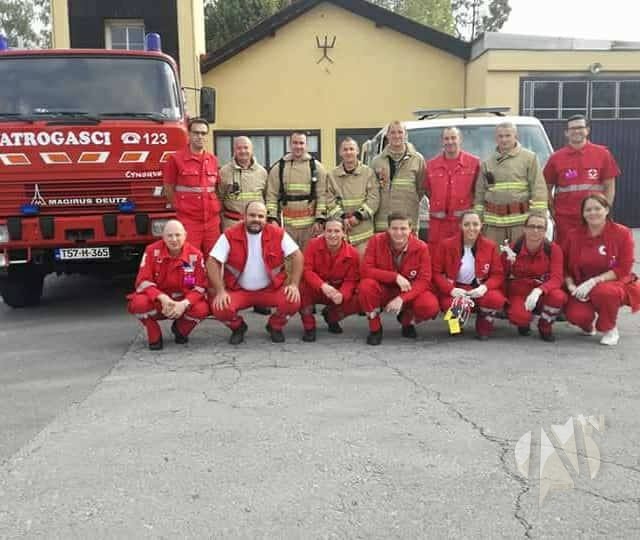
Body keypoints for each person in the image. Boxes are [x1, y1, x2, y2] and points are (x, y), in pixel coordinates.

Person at [207, 201, 303, 344]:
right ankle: (238, 327)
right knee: (219, 308)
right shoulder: (230, 234)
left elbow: (297, 256)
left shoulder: (277, 233)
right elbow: (212, 261)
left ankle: (275, 326)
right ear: (244, 216)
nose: (256, 219)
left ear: (266, 218)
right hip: (239, 290)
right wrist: (220, 291)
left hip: (271, 290)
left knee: (293, 301)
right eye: (252, 215)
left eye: (260, 216)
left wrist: (294, 284)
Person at [563, 194, 640, 346]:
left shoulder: (622, 233)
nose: (593, 213)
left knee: (604, 293)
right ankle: (587, 325)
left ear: (606, 210)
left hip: (614, 283)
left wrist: (594, 281)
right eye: (588, 210)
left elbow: (624, 268)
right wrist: (571, 285)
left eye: (597, 208)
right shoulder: (573, 235)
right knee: (576, 315)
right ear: (583, 214)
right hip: (581, 285)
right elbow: (563, 265)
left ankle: (609, 328)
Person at [359, 212, 439, 345]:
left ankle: (406, 321)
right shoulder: (376, 241)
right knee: (366, 286)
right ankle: (375, 328)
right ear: (388, 229)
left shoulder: (421, 247)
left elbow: (424, 280)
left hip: (407, 292)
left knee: (429, 306)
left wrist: (402, 299)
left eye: (403, 228)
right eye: (394, 228)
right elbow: (365, 270)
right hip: (383, 289)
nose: (399, 233)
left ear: (410, 229)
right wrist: (395, 277)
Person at [127, 220, 209, 350]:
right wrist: (163, 298)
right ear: (163, 237)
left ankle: (180, 329)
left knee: (202, 308)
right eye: (169, 235)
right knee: (138, 303)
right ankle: (154, 333)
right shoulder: (151, 251)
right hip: (159, 301)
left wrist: (183, 304)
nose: (174, 239)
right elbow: (143, 281)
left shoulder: (195, 256)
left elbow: (200, 287)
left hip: (182, 302)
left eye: (178, 235)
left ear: (185, 235)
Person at [543, 114, 620, 246]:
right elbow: (546, 187)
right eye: (572, 129)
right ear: (566, 133)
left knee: (594, 251)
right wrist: (552, 211)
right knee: (566, 252)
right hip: (566, 219)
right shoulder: (556, 158)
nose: (576, 131)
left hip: (594, 216)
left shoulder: (602, 154)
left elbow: (610, 185)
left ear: (587, 130)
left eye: (580, 127)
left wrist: (604, 210)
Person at [432, 211, 506, 340]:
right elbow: (436, 273)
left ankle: (484, 325)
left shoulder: (490, 246)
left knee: (495, 299)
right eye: (466, 224)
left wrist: (484, 288)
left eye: (475, 224)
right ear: (460, 226)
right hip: (456, 288)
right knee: (451, 305)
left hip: (479, 287)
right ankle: (455, 325)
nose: (471, 228)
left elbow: (497, 274)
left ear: (481, 225)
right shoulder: (446, 245)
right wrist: (451, 290)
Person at [474, 122, 548, 244]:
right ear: (496, 138)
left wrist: (537, 220)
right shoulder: (487, 163)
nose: (504, 140)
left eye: (508, 135)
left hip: (520, 224)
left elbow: (538, 190)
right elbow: (479, 196)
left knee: (520, 255)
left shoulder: (529, 158)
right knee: (493, 256)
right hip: (493, 226)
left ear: (515, 136)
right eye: (500, 136)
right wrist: (477, 221)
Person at [503, 214, 567, 342]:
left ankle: (545, 325)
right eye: (531, 226)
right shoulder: (512, 249)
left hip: (543, 291)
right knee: (519, 317)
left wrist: (539, 290)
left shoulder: (553, 249)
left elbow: (557, 278)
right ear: (524, 228)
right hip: (520, 292)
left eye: (540, 227)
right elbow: (502, 275)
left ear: (545, 231)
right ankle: (524, 322)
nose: (535, 230)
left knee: (558, 297)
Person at [163, 118, 221, 255]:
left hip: (212, 222)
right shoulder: (175, 159)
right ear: (189, 134)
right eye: (196, 133)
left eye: (203, 133)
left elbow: (216, 188)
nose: (200, 136)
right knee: (190, 258)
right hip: (189, 222)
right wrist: (181, 207)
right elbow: (168, 188)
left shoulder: (212, 160)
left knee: (214, 259)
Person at [299, 218, 361, 342]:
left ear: (344, 233)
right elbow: (307, 270)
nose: (333, 235)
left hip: (337, 290)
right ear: (324, 232)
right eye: (329, 231)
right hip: (316, 287)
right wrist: (322, 285)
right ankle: (309, 326)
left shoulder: (353, 254)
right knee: (301, 288)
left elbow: (351, 280)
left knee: (357, 297)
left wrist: (342, 295)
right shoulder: (312, 245)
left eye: (337, 231)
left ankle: (332, 317)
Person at [265, 132, 328, 250]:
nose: (298, 146)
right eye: (295, 143)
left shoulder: (317, 167)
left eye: (301, 143)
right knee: (289, 258)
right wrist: (272, 219)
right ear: (289, 145)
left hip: (310, 227)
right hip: (287, 226)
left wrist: (320, 219)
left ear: (306, 145)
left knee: (309, 258)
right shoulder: (279, 168)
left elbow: (322, 195)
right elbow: (271, 196)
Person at [424, 127, 480, 245]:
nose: (450, 142)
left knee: (463, 254)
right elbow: (428, 191)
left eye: (453, 138)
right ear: (442, 141)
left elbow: (478, 191)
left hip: (463, 224)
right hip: (438, 224)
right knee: (437, 255)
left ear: (460, 140)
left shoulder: (474, 163)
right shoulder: (431, 165)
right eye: (446, 138)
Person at [327, 137, 379, 255]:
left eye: (351, 149)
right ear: (340, 152)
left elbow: (374, 199)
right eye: (345, 149)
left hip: (363, 235)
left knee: (363, 266)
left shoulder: (368, 173)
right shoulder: (332, 175)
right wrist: (342, 217)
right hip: (341, 234)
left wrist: (358, 216)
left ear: (357, 151)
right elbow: (329, 201)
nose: (348, 152)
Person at [371, 121, 425, 233]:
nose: (396, 136)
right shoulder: (377, 162)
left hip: (408, 223)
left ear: (406, 135)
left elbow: (421, 189)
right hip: (383, 224)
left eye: (400, 132)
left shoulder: (417, 159)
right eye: (393, 132)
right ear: (387, 136)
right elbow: (373, 192)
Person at [218, 136, 268, 230]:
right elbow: (219, 199)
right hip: (231, 223)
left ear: (252, 150)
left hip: (256, 224)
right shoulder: (224, 172)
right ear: (234, 150)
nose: (243, 151)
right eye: (239, 148)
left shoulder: (262, 172)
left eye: (246, 147)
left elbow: (267, 198)